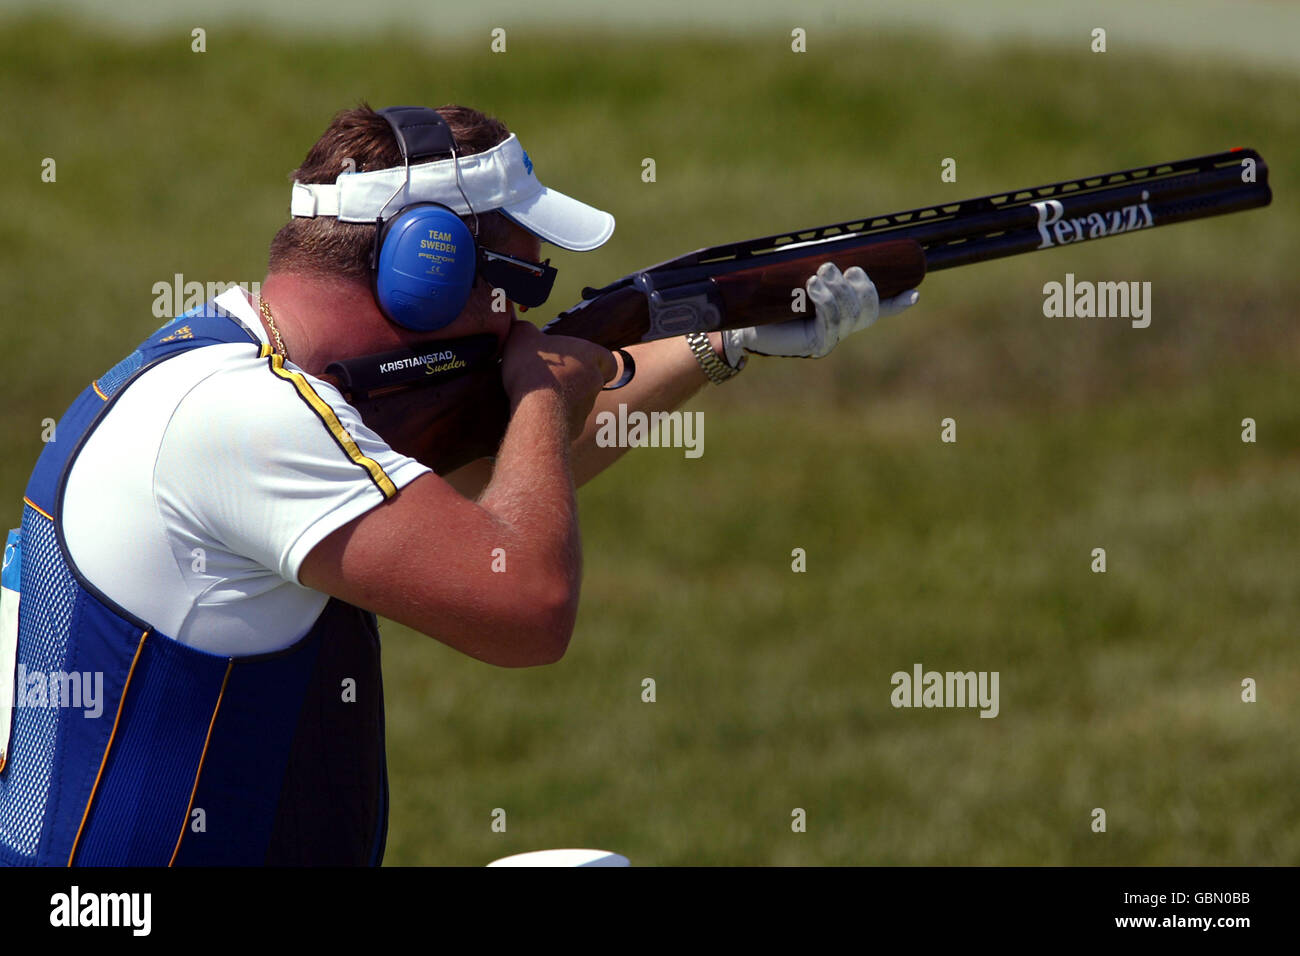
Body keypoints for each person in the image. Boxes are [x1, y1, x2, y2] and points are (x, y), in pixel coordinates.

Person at [0, 103, 916, 866]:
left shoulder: (235, 371)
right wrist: (533, 392)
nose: (523, 310)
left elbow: (506, 470)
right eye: (518, 277)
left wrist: (725, 342)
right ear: (423, 270)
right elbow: (526, 604)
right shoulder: (244, 422)